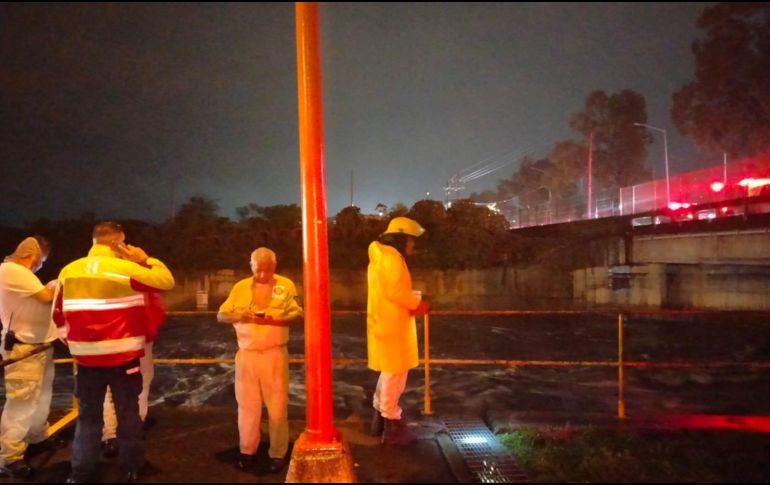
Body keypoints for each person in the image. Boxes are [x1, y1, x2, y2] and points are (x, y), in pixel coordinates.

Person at [53, 222, 174, 483]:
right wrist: (144, 258)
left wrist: (76, 344)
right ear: (118, 242)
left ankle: (80, 472)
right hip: (124, 356)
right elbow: (166, 281)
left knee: (88, 416)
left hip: (85, 360)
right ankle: (132, 467)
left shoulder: (68, 271)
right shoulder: (126, 268)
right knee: (128, 413)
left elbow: (58, 315)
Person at [217, 247, 302, 474]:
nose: (263, 274)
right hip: (246, 355)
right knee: (247, 407)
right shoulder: (240, 287)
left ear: (275, 266)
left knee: (277, 408)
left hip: (274, 354)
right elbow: (221, 315)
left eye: (268, 269)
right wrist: (239, 315)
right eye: (258, 269)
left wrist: (279, 318)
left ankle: (278, 453)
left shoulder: (286, 285)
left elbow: (297, 312)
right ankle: (247, 451)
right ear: (250, 264)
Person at [367, 217, 430, 445]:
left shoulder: (380, 257)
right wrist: (417, 305)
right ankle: (391, 425)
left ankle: (380, 420)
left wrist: (412, 300)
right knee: (395, 374)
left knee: (389, 372)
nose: (413, 245)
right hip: (393, 325)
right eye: (411, 240)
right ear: (402, 238)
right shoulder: (392, 259)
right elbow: (395, 291)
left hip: (384, 323)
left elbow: (390, 290)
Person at [0, 236, 57, 478]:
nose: (40, 264)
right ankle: (9, 457)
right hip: (23, 348)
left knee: (42, 398)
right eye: (41, 259)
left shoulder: (23, 274)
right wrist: (57, 284)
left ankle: (37, 438)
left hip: (39, 347)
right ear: (34, 254)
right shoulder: (10, 269)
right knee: (21, 403)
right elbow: (45, 297)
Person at [101, 291, 166, 457]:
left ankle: (110, 436)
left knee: (108, 390)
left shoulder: (104, 282)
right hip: (140, 342)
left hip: (109, 340)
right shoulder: (146, 286)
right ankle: (134, 429)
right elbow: (157, 315)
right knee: (140, 385)